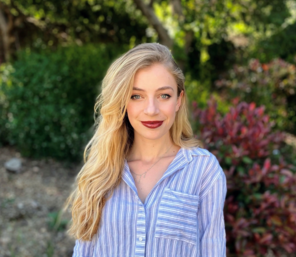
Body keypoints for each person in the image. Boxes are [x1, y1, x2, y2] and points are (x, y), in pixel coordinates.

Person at [65, 42, 227, 257]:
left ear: (179, 100)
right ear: (123, 102)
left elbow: (213, 250)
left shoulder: (203, 170)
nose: (151, 110)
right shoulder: (101, 171)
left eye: (164, 96)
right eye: (136, 96)